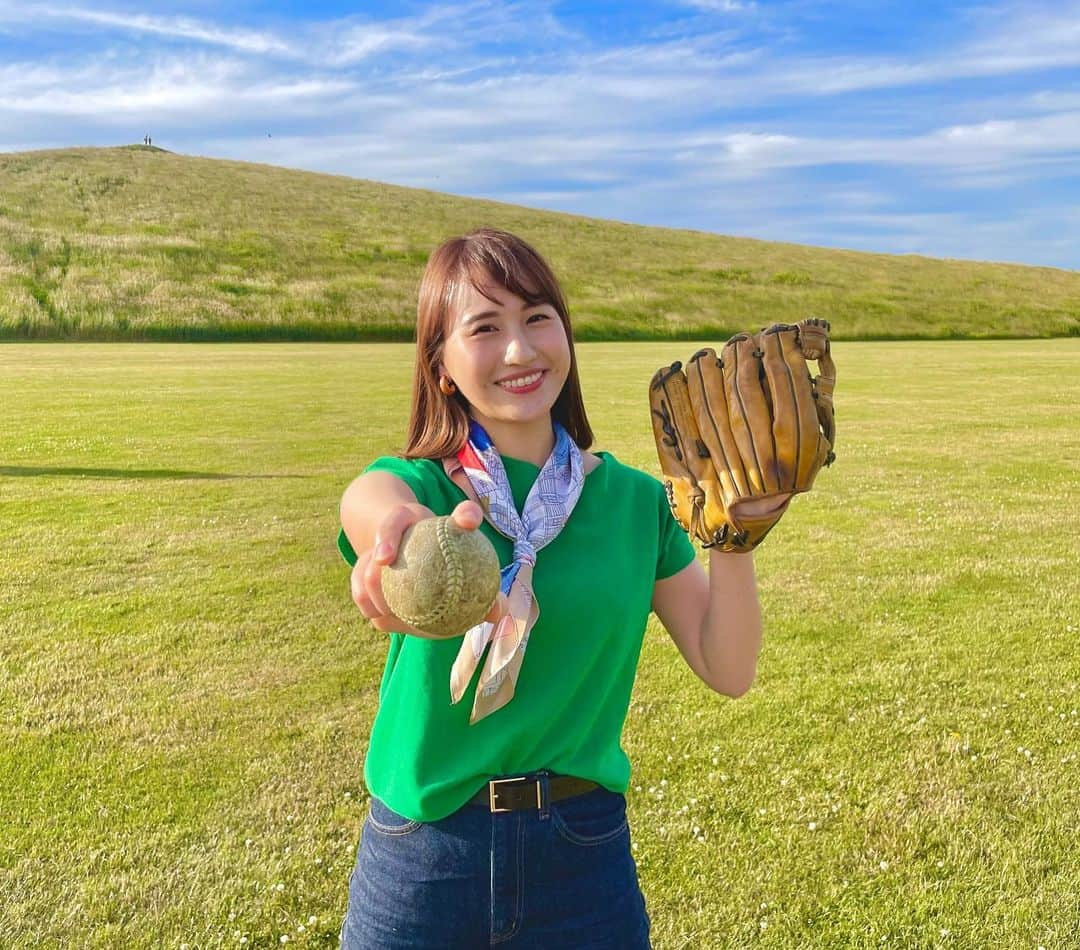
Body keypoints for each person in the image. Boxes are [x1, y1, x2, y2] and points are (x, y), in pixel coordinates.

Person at [336, 227, 763, 948]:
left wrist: (735, 540)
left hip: (581, 851)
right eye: (484, 327)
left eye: (537, 318)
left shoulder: (634, 502)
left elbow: (729, 668)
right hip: (423, 852)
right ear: (441, 364)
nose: (519, 350)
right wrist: (398, 530)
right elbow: (368, 497)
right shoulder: (425, 488)